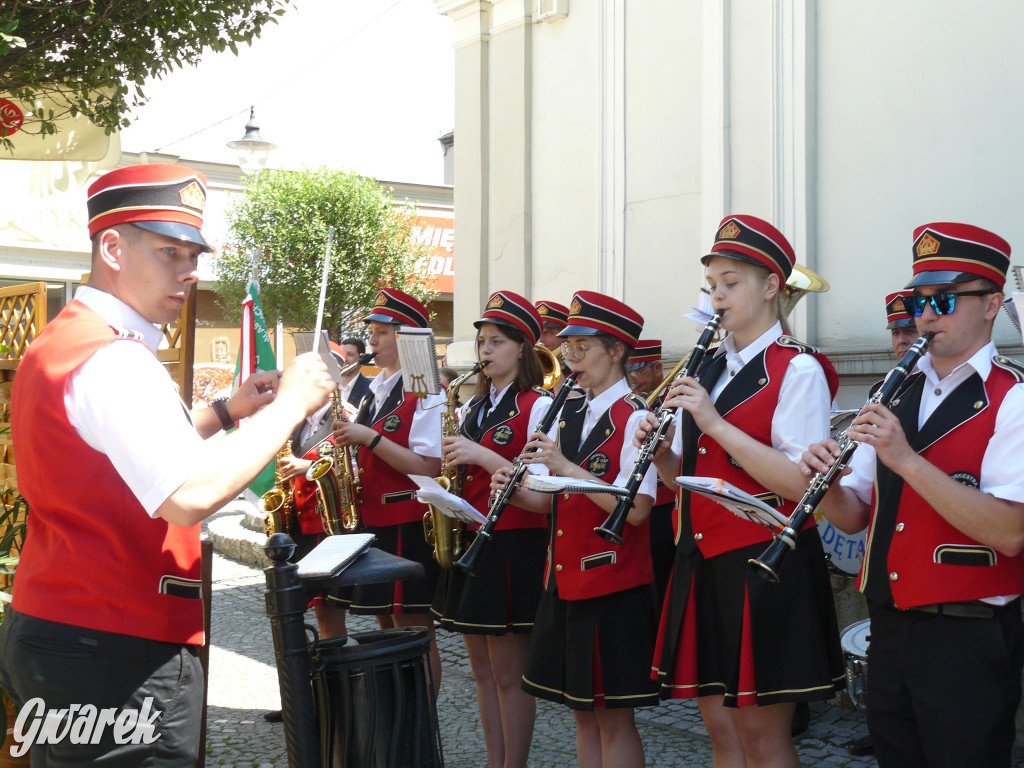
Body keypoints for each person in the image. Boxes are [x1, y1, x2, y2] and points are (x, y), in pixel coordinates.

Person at [0, 163, 334, 767]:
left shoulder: (68, 341)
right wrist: (287, 408)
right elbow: (187, 492)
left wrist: (227, 411)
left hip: (64, 624)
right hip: (116, 645)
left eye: (193, 255)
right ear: (112, 247)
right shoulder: (114, 359)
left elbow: (113, 453)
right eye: (169, 252)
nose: (188, 272)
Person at [801, 222, 1024, 768]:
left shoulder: (1012, 398)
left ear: (992, 303)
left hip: (968, 634)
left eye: (944, 299)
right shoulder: (895, 389)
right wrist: (823, 485)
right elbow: (854, 518)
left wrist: (904, 458)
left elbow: (1009, 533)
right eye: (919, 300)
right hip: (893, 624)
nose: (925, 315)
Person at [643, 215, 843, 768]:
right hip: (702, 558)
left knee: (762, 737)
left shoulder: (796, 369)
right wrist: (662, 456)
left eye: (730, 284)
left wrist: (712, 423)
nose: (718, 297)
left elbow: (803, 485)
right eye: (712, 287)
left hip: (763, 562)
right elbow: (688, 477)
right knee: (722, 736)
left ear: (772, 286)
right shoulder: (710, 365)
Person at [492, 290, 659, 768]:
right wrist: (513, 488)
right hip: (565, 581)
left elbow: (637, 509)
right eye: (568, 348)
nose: (571, 358)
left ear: (616, 350)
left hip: (613, 584)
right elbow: (548, 503)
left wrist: (566, 466)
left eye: (582, 347)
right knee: (582, 716)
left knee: (613, 718)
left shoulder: (637, 417)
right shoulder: (570, 413)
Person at [431, 290, 552, 768]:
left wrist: (479, 454)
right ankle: (495, 760)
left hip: (514, 543)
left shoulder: (538, 404)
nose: (484, 350)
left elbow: (541, 483)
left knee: (508, 672)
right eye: (481, 341)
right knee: (481, 669)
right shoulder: (474, 407)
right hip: (473, 537)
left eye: (497, 341)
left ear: (521, 348)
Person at [331, 287, 446, 693]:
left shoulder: (426, 390)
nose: (371, 342)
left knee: (413, 630)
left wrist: (369, 439)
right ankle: (395, 707)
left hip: (409, 523)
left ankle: (419, 723)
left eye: (380, 333)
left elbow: (428, 466)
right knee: (385, 626)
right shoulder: (376, 387)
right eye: (372, 333)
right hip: (374, 521)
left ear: (406, 337)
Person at [627, 339, 675, 604]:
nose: (633, 378)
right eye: (629, 371)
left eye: (640, 370)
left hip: (664, 504)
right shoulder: (632, 401)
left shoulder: (673, 397)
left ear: (658, 368)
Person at [535, 299, 571, 393]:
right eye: (538, 333)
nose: (540, 340)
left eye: (548, 333)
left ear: (564, 337)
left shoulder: (575, 374)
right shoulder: (525, 372)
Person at [335, 336, 372, 407]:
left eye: (350, 354)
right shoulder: (328, 386)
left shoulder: (370, 389)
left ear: (361, 359)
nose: (344, 359)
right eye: (341, 353)